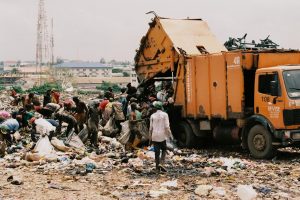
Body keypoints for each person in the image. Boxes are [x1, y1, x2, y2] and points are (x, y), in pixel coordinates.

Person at [149, 101, 172, 172]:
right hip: (162, 136)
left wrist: (150, 139)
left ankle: (157, 167)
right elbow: (167, 126)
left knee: (156, 152)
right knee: (164, 149)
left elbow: (150, 128)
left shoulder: (152, 116)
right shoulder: (165, 115)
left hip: (154, 135)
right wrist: (169, 135)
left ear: (155, 108)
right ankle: (162, 163)